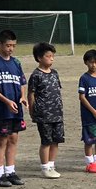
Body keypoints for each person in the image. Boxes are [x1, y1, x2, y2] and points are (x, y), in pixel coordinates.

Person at [0, 29, 27, 186]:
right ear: (0, 44)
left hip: (16, 108)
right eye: (8, 45)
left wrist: (22, 97)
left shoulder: (16, 62)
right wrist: (6, 101)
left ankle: (10, 171)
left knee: (13, 138)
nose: (11, 49)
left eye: (13, 46)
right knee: (2, 139)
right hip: (2, 110)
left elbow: (21, 82)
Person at [27, 42, 64, 179]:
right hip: (44, 114)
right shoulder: (36, 75)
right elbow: (31, 94)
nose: (51, 59)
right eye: (48, 56)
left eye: (52, 56)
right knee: (46, 141)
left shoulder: (55, 73)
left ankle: (51, 165)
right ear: (39, 58)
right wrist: (32, 110)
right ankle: (45, 167)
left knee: (56, 140)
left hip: (57, 113)